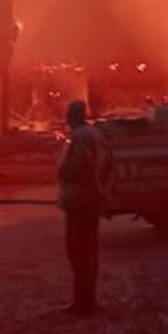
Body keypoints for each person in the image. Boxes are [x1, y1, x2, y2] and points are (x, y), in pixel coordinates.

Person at [57, 100, 112, 317]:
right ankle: (85, 301)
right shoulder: (92, 135)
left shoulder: (82, 138)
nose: (66, 118)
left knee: (79, 253)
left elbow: (80, 169)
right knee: (86, 253)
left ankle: (84, 304)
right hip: (87, 201)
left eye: (68, 114)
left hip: (81, 202)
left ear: (74, 116)